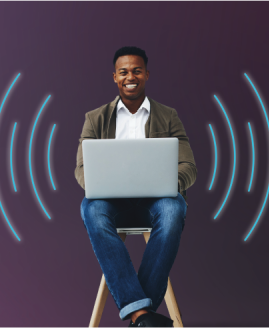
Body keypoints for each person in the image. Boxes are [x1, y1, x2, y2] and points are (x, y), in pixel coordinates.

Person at [75, 46, 197, 327]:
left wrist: (165, 183)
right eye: (124, 71)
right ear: (115, 78)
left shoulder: (168, 116)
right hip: (111, 203)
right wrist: (100, 185)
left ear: (147, 74)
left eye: (137, 70)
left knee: (173, 208)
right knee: (91, 209)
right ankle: (144, 318)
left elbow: (189, 167)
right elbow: (82, 169)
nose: (131, 76)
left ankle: (137, 314)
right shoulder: (95, 119)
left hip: (155, 202)